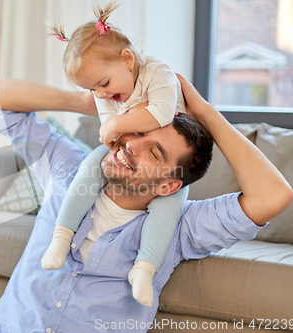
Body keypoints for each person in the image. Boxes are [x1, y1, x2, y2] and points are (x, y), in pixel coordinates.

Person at [0, 75, 293, 333]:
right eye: (138, 131)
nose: (131, 145)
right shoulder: (69, 169)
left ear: (170, 185)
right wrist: (89, 103)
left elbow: (273, 196)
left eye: (154, 152)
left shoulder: (182, 227)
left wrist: (206, 113)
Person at [42, 1, 188, 307]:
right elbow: (107, 133)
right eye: (93, 90)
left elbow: (161, 114)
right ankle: (61, 236)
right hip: (129, 152)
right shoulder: (105, 93)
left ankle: (144, 268)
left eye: (104, 84)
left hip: (164, 162)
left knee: (170, 204)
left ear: (127, 59)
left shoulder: (157, 72)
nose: (102, 95)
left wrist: (120, 123)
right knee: (89, 167)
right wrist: (115, 127)